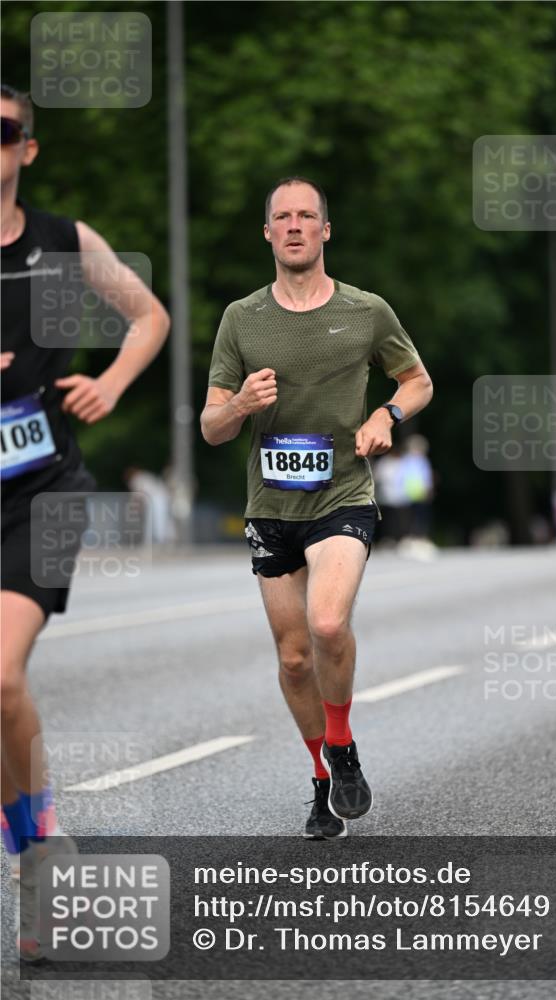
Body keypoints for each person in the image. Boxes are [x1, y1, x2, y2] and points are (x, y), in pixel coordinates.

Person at [201, 176, 433, 839]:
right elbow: (211, 426)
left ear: (325, 231)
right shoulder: (240, 319)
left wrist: (386, 415)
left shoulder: (366, 311)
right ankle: (321, 778)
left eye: (308, 216)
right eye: (283, 217)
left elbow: (417, 381)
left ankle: (343, 745)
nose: (296, 225)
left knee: (328, 625)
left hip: (342, 494)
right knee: (295, 656)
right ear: (268, 233)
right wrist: (240, 405)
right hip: (271, 504)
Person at [0, 84, 170, 959]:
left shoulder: (62, 242)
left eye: (3, 133)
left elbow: (149, 316)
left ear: (28, 149)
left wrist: (109, 380)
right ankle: (38, 847)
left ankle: (41, 842)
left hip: (46, 487)